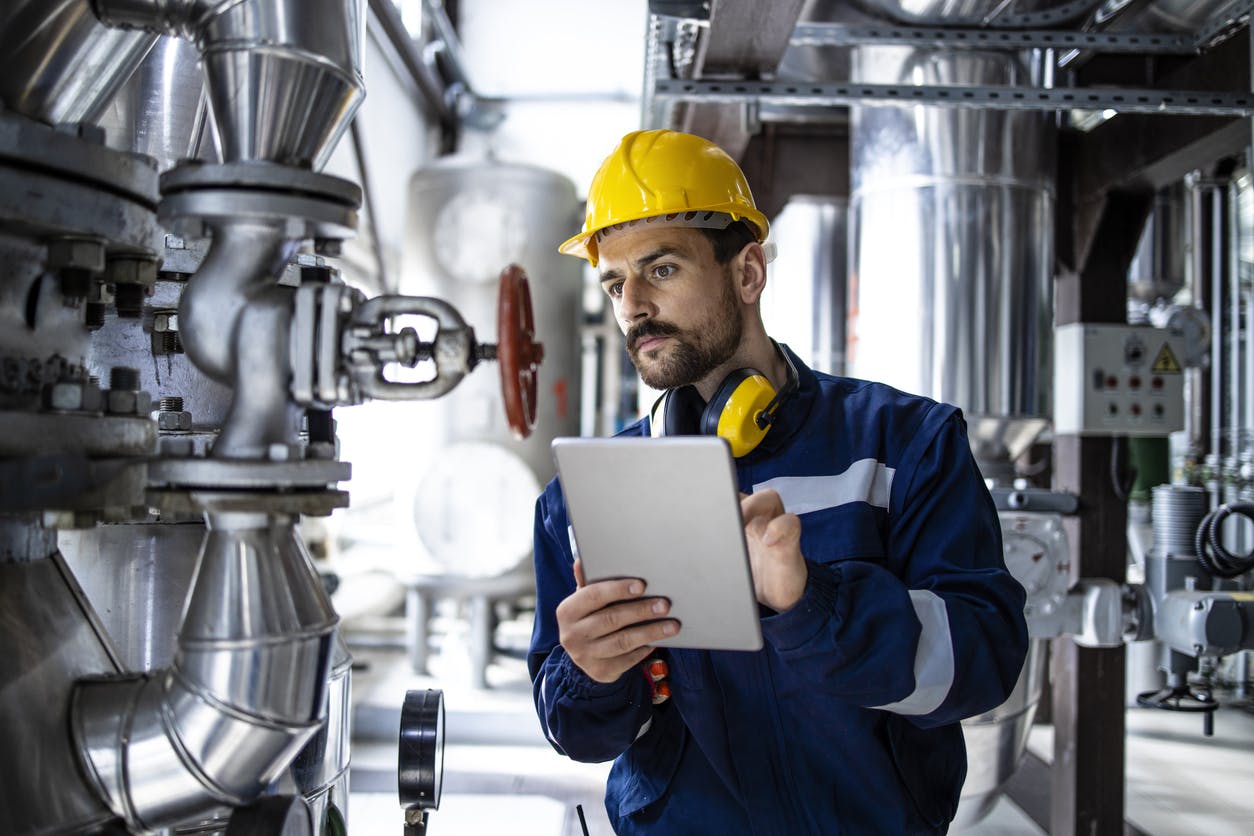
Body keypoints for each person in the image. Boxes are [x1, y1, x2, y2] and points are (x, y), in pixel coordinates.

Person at [527, 128, 1028, 835]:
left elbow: (986, 660)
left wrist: (811, 602)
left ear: (748, 273)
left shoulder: (904, 444)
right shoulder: (580, 500)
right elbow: (580, 734)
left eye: (661, 268)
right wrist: (589, 673)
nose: (632, 304)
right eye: (614, 282)